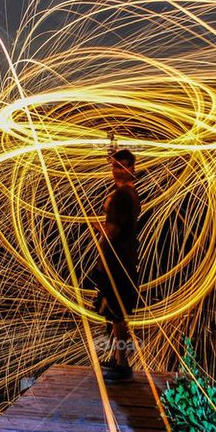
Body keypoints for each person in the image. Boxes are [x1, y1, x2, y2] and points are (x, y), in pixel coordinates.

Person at [91, 148, 141, 381]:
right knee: (113, 313)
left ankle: (123, 362)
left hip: (118, 263)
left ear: (132, 169)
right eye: (114, 166)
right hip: (118, 261)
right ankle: (117, 358)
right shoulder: (128, 193)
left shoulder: (123, 196)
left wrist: (94, 224)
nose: (117, 171)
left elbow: (111, 231)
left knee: (118, 314)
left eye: (122, 167)